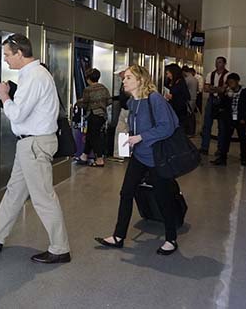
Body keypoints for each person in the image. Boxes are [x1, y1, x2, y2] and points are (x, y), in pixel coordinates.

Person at [0, 34, 71, 264]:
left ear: (19, 53)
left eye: (7, 54)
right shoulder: (33, 75)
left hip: (34, 144)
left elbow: (18, 114)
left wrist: (4, 96)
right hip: (29, 144)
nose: (5, 60)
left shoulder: (34, 76)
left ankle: (60, 248)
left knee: (43, 198)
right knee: (15, 191)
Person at [95, 65, 181, 255]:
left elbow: (168, 126)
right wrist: (130, 140)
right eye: (124, 78)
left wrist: (141, 137)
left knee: (163, 197)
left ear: (140, 80)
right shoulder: (133, 102)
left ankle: (171, 238)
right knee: (126, 193)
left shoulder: (155, 99)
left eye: (128, 78)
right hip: (140, 156)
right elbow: (135, 126)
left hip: (157, 157)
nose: (123, 81)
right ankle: (118, 236)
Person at [211, 73, 246, 166]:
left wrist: (244, 118)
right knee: (226, 138)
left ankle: (243, 157)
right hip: (229, 118)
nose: (230, 84)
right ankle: (223, 158)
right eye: (229, 82)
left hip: (240, 119)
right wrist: (224, 95)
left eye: (232, 82)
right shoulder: (228, 91)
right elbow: (223, 105)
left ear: (237, 81)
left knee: (242, 138)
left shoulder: (245, 91)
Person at [75, 68, 111, 167]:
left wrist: (78, 102)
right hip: (102, 115)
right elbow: (109, 101)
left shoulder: (88, 89)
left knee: (94, 137)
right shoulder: (104, 88)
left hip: (93, 115)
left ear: (88, 79)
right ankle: (84, 156)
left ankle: (99, 159)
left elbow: (85, 104)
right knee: (91, 135)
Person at [200, 56, 229, 155]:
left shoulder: (228, 75)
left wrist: (213, 88)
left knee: (222, 126)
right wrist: (218, 88)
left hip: (222, 101)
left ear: (224, 63)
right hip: (212, 100)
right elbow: (206, 89)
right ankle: (204, 147)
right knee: (207, 125)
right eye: (216, 62)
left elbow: (223, 90)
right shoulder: (210, 74)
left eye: (220, 62)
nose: (217, 64)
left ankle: (220, 149)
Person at [109, 65, 130, 162]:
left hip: (127, 110)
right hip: (125, 110)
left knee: (121, 131)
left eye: (120, 73)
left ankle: (120, 154)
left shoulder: (128, 82)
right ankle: (123, 153)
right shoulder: (126, 82)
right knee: (123, 131)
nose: (119, 76)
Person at [164, 63, 190, 133]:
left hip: (179, 110)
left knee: (179, 128)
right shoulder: (171, 81)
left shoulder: (180, 82)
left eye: (168, 73)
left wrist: (173, 97)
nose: (168, 75)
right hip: (172, 108)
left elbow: (187, 96)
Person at [182, 66, 198, 136]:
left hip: (189, 99)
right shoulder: (195, 79)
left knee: (189, 115)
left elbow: (184, 89)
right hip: (194, 98)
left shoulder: (187, 79)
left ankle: (189, 131)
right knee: (191, 115)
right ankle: (192, 131)